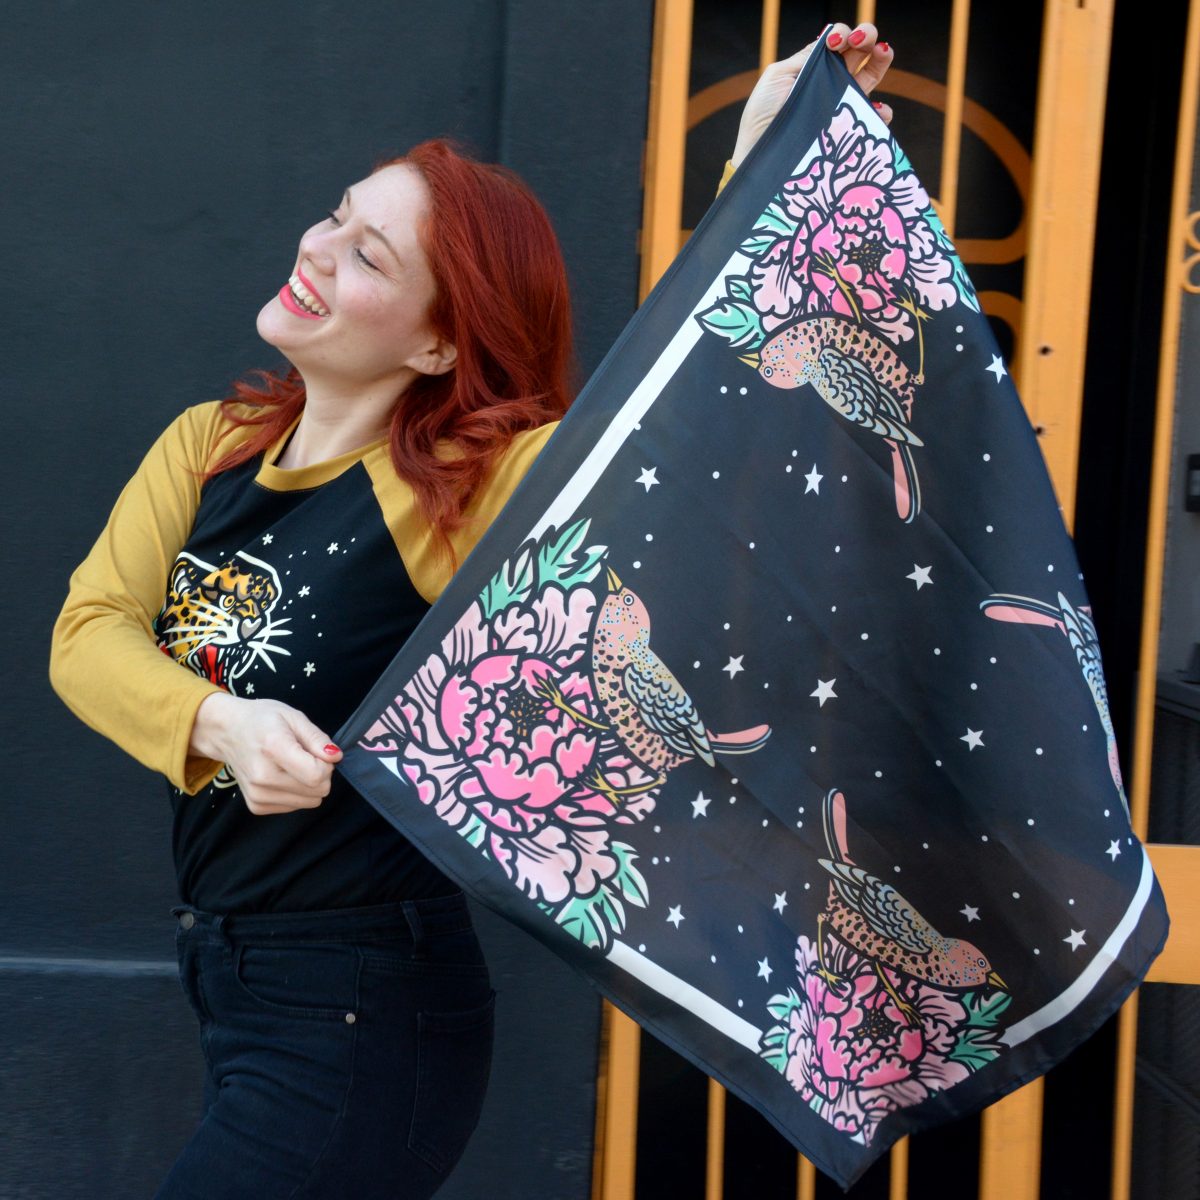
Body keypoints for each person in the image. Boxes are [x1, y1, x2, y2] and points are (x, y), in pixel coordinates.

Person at [50, 25, 893, 1200]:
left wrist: (766, 161)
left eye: (368, 256)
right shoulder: (212, 445)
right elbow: (89, 632)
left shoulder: (473, 485)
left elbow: (676, 415)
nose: (318, 249)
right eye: (337, 216)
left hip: (361, 1009)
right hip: (234, 975)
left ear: (442, 341)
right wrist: (218, 723)